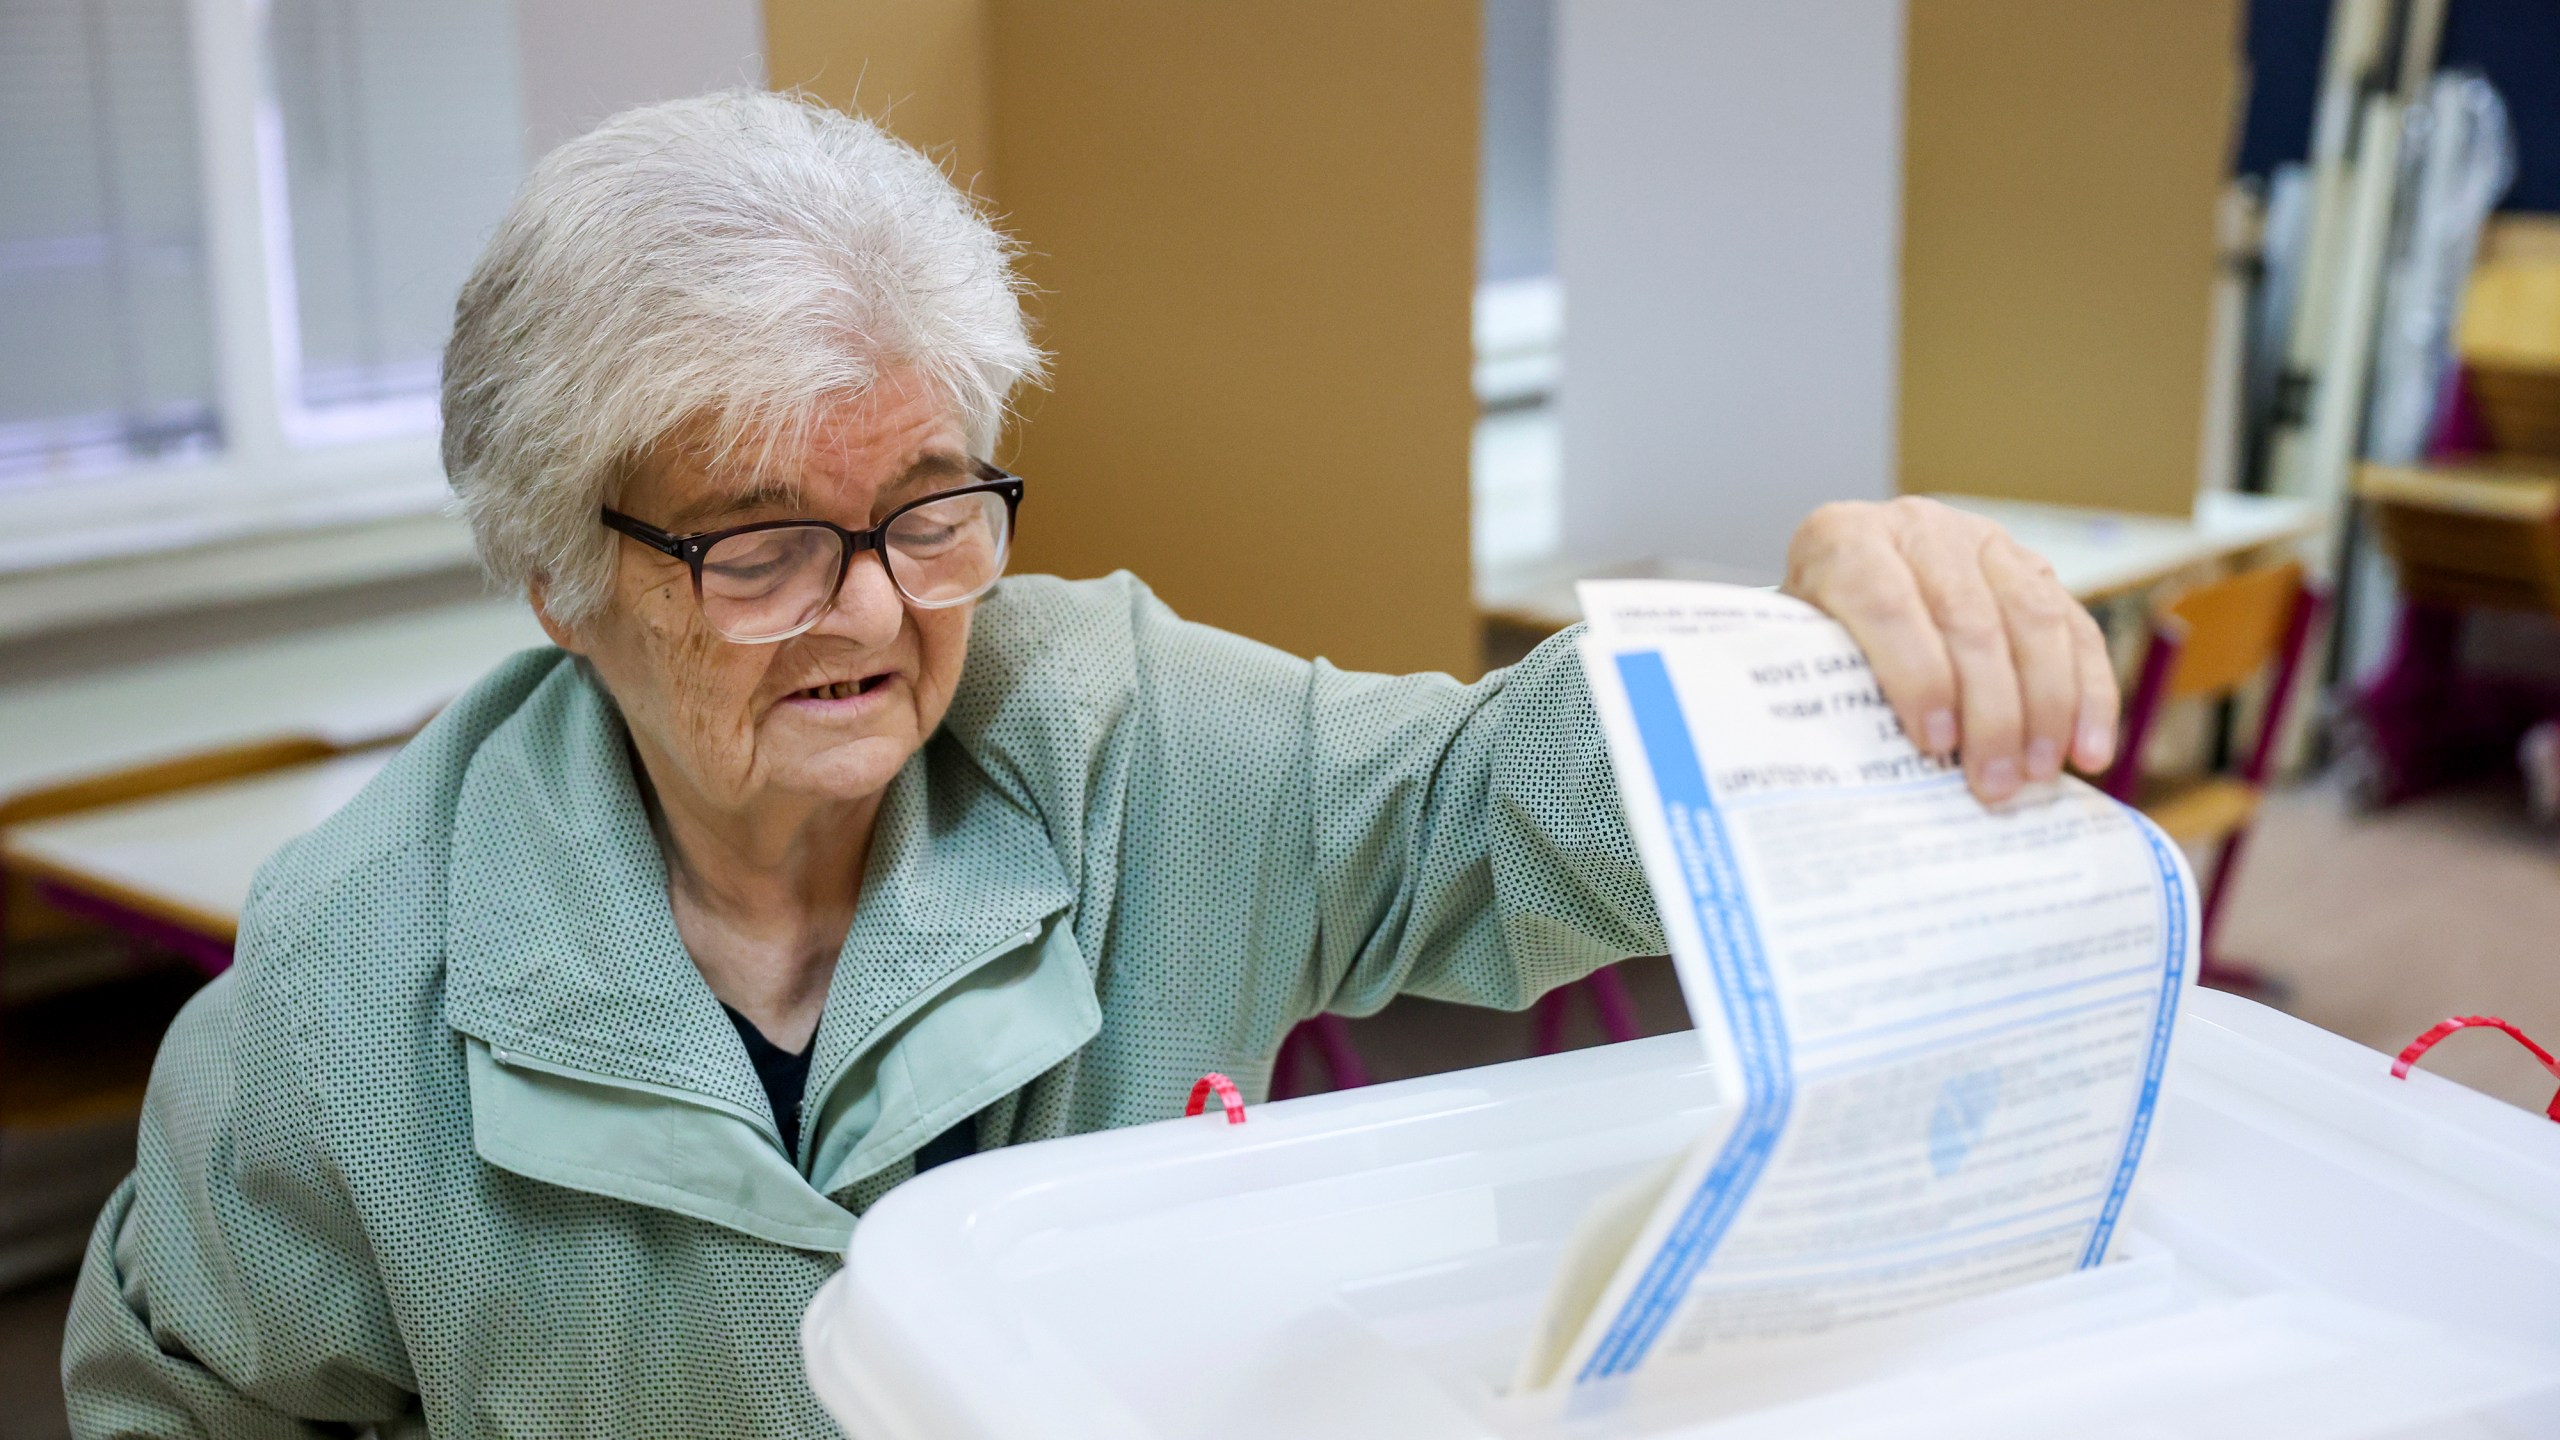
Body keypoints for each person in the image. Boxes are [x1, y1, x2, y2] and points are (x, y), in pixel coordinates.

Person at [62, 92, 2117, 1438]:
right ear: (551, 568)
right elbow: (193, 1410)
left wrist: (1812, 632)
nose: (873, 615)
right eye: (762, 546)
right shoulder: (348, 985)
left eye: (933, 509)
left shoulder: (1121, 729)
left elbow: (1508, 803)